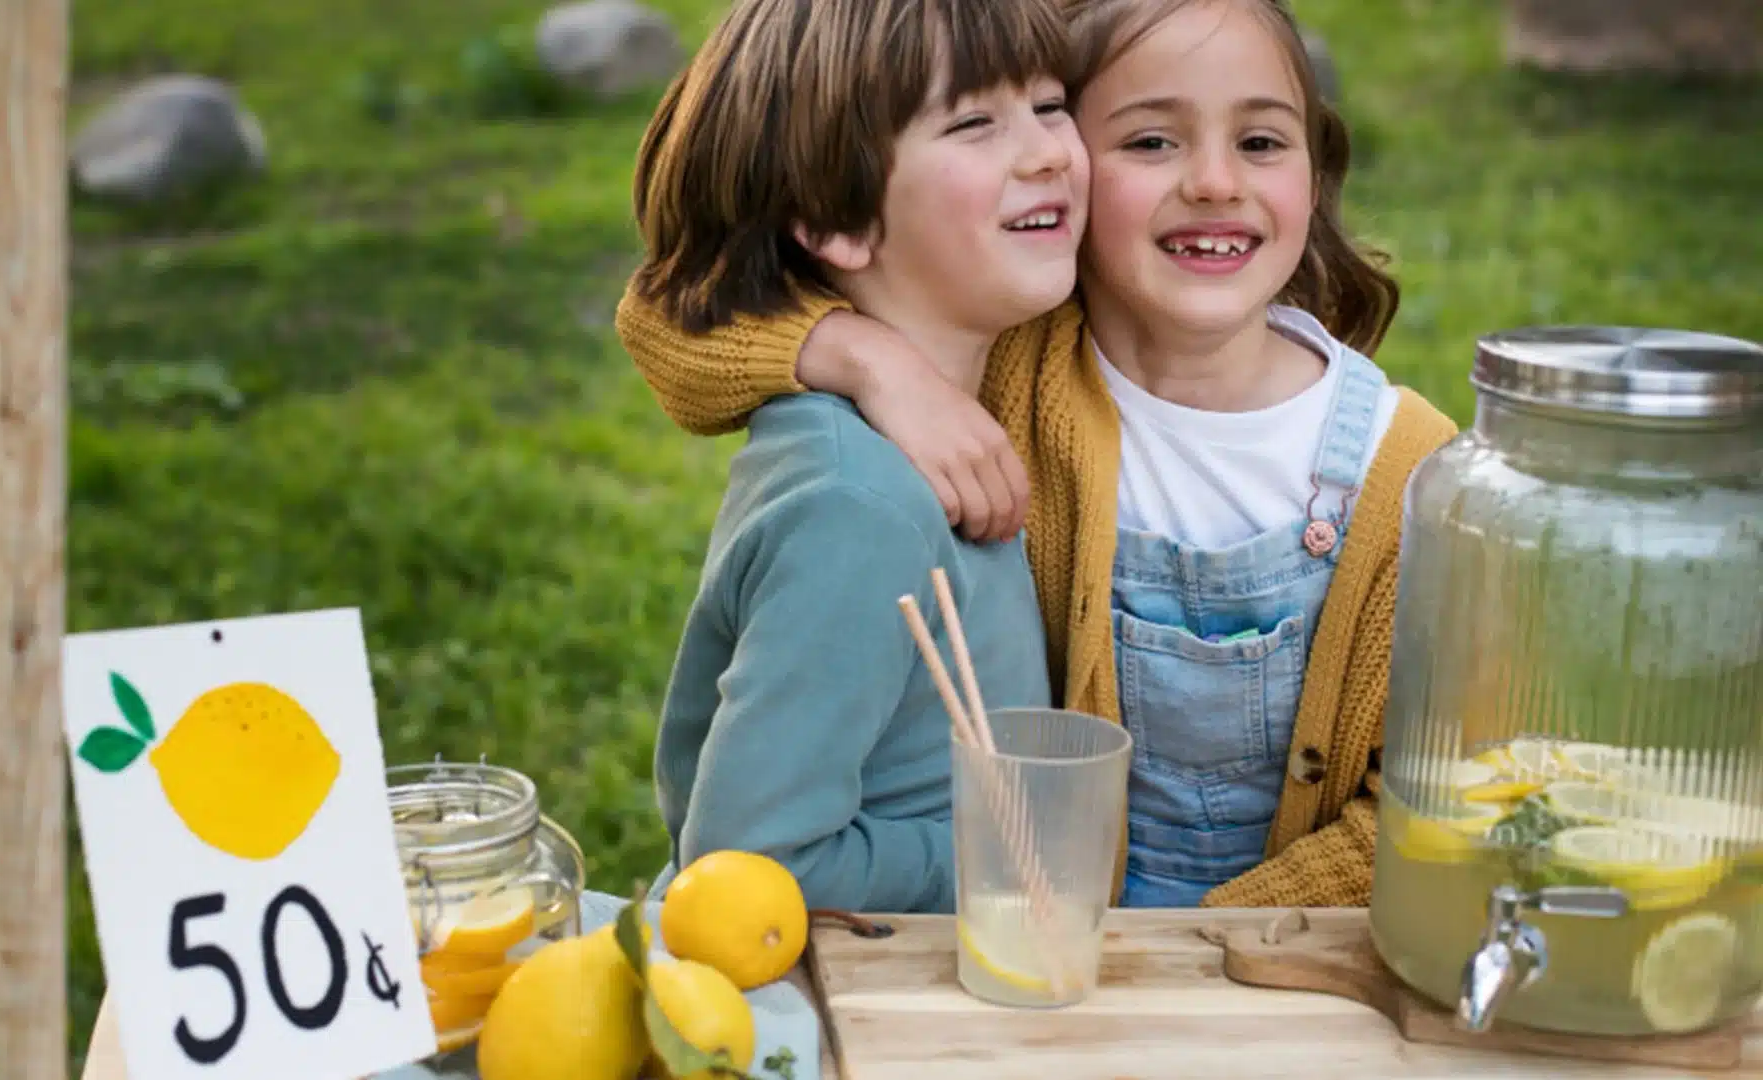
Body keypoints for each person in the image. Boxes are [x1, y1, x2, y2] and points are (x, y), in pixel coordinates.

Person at [614, 0, 1459, 909]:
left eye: (1261, 142)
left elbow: (1443, 802)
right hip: (1023, 945)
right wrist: (868, 359)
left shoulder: (1408, 472)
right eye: (1147, 143)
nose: (1215, 180)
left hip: (1244, 964)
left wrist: (1190, 960)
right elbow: (675, 318)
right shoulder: (1019, 362)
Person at [630, 0, 1091, 914]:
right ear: (834, 221)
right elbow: (747, 866)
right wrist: (1001, 855)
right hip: (862, 1025)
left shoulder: (967, 389)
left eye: (1050, 103)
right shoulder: (861, 511)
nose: (1046, 152)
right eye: (973, 123)